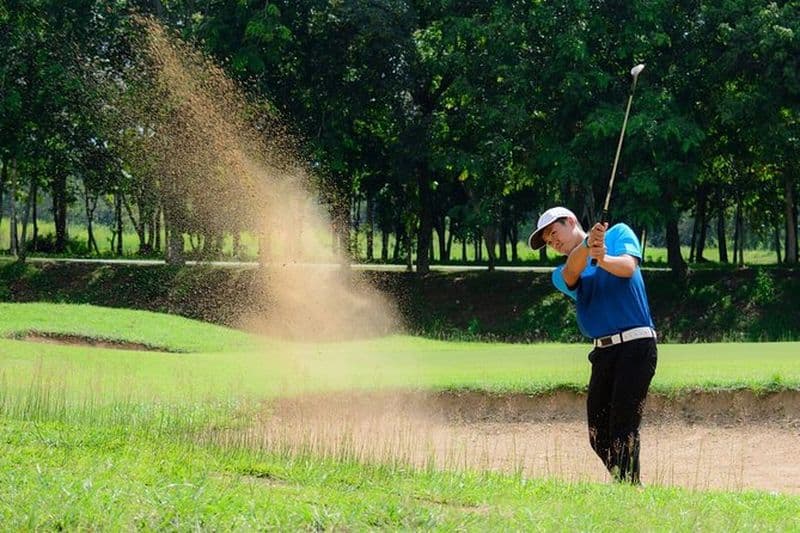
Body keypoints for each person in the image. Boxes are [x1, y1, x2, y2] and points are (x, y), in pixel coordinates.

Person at [528, 206, 657, 485]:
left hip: (636, 344)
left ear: (571, 221)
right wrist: (588, 247)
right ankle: (627, 485)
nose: (553, 242)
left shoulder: (618, 233)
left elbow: (628, 268)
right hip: (603, 352)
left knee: (623, 425)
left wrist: (602, 257)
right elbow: (572, 272)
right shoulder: (561, 272)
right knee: (597, 433)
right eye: (548, 241)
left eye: (554, 233)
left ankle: (630, 488)